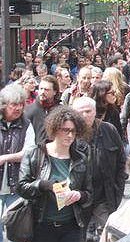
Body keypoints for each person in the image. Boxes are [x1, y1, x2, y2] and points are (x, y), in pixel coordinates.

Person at [18, 106, 92, 242]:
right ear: (55, 128)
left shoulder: (80, 159)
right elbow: (22, 188)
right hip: (41, 225)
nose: (70, 135)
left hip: (72, 226)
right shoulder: (35, 154)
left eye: (73, 131)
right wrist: (44, 185)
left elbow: (89, 194)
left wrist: (79, 195)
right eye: (65, 130)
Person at [73, 97, 127, 242]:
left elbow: (122, 160)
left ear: (95, 111)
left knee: (111, 235)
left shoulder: (109, 129)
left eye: (88, 111)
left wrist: (118, 187)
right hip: (79, 199)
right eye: (80, 112)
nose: (85, 115)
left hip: (104, 195)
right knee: (79, 236)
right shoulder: (69, 133)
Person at [0, 84, 35, 241]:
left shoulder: (26, 125)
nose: (18, 108)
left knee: (17, 228)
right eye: (14, 104)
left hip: (16, 187)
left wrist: (5, 158)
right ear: (4, 105)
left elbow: (28, 153)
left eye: (21, 104)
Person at [25, 74, 61, 144]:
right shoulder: (29, 110)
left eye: (46, 90)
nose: (42, 92)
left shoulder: (60, 111)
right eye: (41, 89)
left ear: (54, 92)